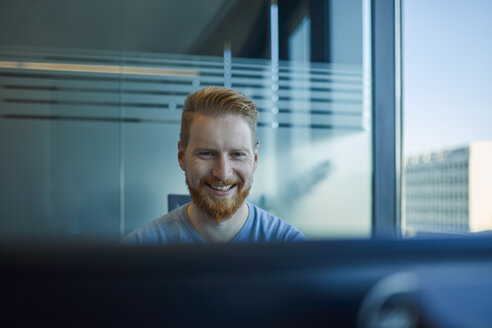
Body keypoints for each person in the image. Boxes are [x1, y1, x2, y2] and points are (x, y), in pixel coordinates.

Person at [122, 86, 306, 244]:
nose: (223, 173)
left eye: (237, 154)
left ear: (255, 160)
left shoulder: (290, 247)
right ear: (181, 156)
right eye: (207, 154)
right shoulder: (139, 249)